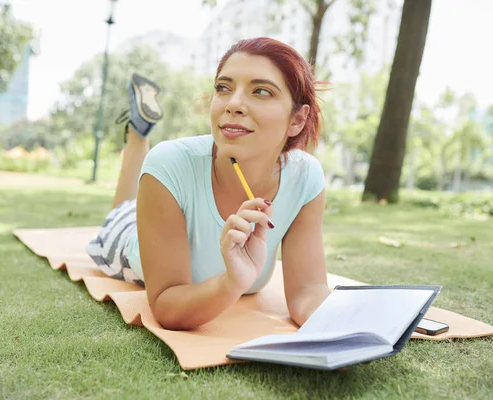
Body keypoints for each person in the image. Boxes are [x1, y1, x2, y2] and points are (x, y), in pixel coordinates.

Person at [87, 37, 330, 331]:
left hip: (168, 201)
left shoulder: (306, 179)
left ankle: (139, 132)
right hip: (126, 242)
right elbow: (166, 304)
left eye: (261, 91)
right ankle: (138, 136)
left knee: (135, 203)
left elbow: (308, 292)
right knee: (122, 212)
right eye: (223, 88)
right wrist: (230, 283)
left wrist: (341, 328)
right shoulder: (169, 161)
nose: (234, 103)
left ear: (298, 119)